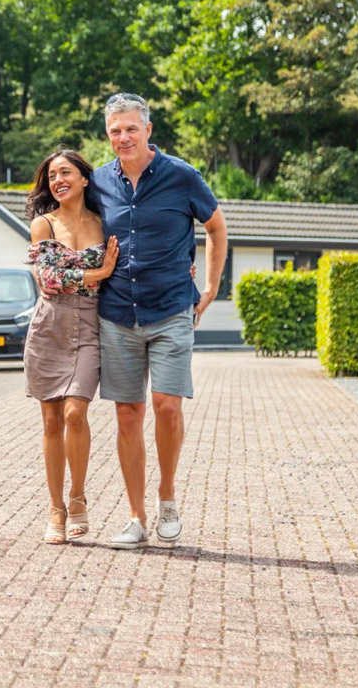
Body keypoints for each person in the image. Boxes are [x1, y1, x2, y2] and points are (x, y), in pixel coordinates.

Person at [90, 93, 228, 550]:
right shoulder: (98, 183)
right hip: (116, 312)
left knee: (168, 405)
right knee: (128, 414)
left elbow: (217, 227)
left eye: (131, 128)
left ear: (149, 130)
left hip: (171, 309)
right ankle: (136, 515)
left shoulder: (182, 176)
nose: (123, 137)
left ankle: (168, 497)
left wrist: (209, 289)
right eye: (115, 131)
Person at [24, 150, 119, 544]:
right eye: (50, 176)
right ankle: (55, 509)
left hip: (90, 326)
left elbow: (131, 264)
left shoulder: (105, 223)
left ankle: (78, 498)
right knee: (50, 421)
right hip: (49, 327)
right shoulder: (42, 224)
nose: (57, 180)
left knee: (76, 413)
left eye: (65, 172)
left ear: (84, 178)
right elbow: (49, 280)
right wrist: (99, 272)